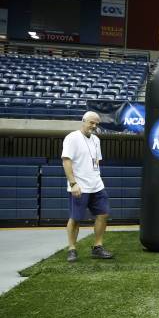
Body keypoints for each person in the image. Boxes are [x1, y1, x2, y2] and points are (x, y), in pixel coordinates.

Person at [62, 111, 113, 262]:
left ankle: (97, 247)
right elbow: (66, 161)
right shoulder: (72, 138)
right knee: (76, 218)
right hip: (79, 186)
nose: (94, 126)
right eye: (91, 122)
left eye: (96, 123)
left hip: (96, 185)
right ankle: (72, 249)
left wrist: (97, 177)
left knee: (103, 214)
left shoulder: (96, 140)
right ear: (83, 121)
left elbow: (96, 161)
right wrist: (73, 183)